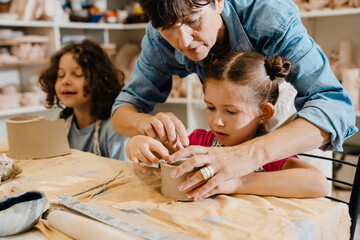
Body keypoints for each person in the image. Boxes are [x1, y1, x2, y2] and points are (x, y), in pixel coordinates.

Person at [112, 0, 357, 199]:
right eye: (168, 29)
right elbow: (125, 108)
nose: (183, 41)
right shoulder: (160, 31)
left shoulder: (271, 18)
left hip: (290, 122)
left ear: (218, 2)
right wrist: (145, 127)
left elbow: (335, 107)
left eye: (192, 21)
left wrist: (247, 155)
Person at [126, 51, 330, 200]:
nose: (217, 121)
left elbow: (318, 184)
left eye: (231, 111)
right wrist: (138, 143)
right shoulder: (201, 142)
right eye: (210, 108)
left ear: (263, 113)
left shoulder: (268, 153)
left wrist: (238, 182)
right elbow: (160, 150)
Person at [39, 39, 129, 161]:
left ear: (99, 80)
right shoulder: (61, 125)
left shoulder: (114, 129)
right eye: (61, 75)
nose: (66, 81)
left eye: (77, 74)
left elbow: (125, 176)